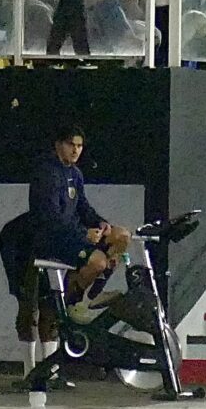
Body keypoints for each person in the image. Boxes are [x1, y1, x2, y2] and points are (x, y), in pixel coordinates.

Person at [24, 125, 129, 345]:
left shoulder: (75, 173)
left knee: (122, 236)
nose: (76, 150)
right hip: (53, 238)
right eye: (71, 145)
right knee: (99, 262)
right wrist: (84, 233)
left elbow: (83, 207)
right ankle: (74, 301)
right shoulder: (47, 172)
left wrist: (101, 223)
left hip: (74, 234)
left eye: (79, 146)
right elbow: (50, 216)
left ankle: (93, 295)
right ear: (58, 145)